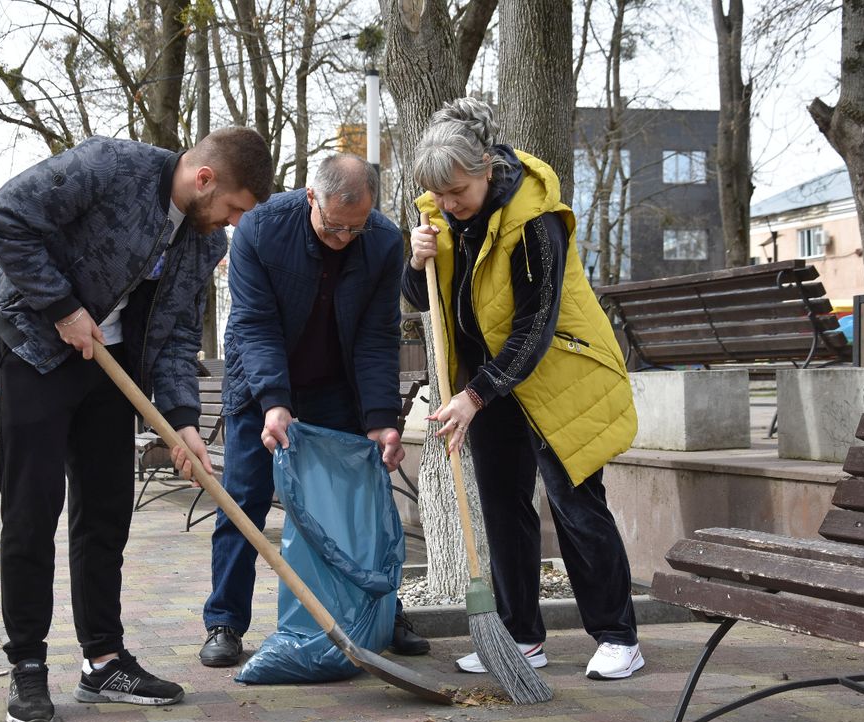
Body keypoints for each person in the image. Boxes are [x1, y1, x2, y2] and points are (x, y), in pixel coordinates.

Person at [0, 127, 274, 722]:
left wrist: (183, 422)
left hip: (112, 367)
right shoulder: (109, 166)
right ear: (205, 179)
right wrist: (61, 308)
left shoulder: (201, 243)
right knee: (33, 510)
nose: (234, 223)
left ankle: (103, 661)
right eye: (235, 209)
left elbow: (178, 334)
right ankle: (28, 665)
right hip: (36, 347)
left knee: (107, 512)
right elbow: (1, 218)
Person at [403, 98, 643, 680]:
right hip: (491, 381)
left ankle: (618, 636)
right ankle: (519, 637)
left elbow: (535, 325)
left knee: (573, 503)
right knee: (503, 506)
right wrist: (416, 262)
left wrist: (474, 394)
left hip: (561, 372)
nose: (450, 204)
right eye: (440, 194)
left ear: (488, 167)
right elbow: (420, 300)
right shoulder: (441, 213)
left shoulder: (536, 218)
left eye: (459, 191)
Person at [198, 153, 430, 668]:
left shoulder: (384, 242)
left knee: (352, 505)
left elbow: (377, 337)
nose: (345, 238)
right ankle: (225, 622)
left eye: (356, 228)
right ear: (310, 199)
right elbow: (254, 325)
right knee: (244, 498)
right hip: (260, 387)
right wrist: (275, 404)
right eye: (334, 227)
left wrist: (380, 419)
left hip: (334, 388)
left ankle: (379, 614)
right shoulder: (260, 230)